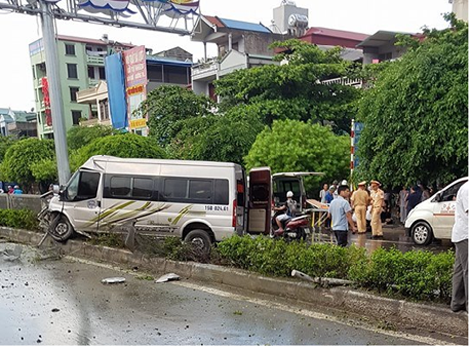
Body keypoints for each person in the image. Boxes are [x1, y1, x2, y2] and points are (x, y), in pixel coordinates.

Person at [450, 181, 468, 313]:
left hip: (462, 234)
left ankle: (457, 303)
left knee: (460, 269)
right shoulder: (468, 189)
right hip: (466, 235)